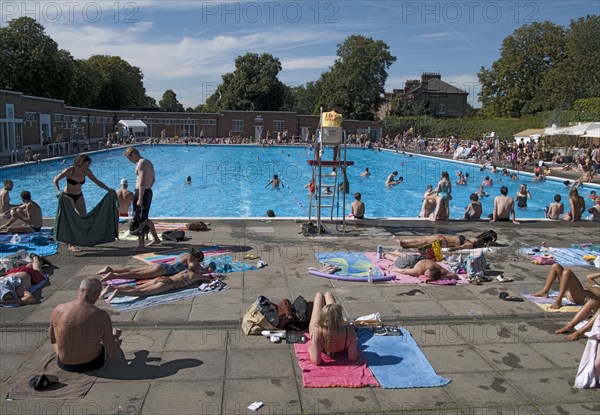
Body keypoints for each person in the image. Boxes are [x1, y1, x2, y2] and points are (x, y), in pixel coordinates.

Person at [49, 278, 123, 372]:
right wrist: (115, 337)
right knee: (112, 341)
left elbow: (52, 339)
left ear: (80, 291)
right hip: (92, 363)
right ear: (96, 294)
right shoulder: (101, 315)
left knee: (60, 339)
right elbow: (112, 353)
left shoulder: (58, 309)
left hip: (64, 364)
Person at [53, 155, 112, 252]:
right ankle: (71, 244)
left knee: (84, 216)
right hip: (68, 195)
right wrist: (58, 191)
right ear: (79, 162)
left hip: (79, 195)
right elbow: (55, 180)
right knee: (72, 218)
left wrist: (108, 189)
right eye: (84, 165)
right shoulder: (69, 170)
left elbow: (97, 181)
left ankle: (85, 238)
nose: (86, 167)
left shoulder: (86, 172)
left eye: (87, 165)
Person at [101, 261, 214, 302]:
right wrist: (207, 273)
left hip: (161, 279)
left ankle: (113, 288)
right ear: (198, 270)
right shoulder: (196, 276)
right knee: (142, 292)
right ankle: (118, 292)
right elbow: (208, 278)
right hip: (167, 284)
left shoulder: (186, 270)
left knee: (138, 285)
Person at [124, 147, 161, 250]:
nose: (130, 161)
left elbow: (141, 182)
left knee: (139, 218)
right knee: (145, 218)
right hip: (148, 192)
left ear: (133, 155)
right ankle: (156, 239)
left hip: (142, 192)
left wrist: (140, 198)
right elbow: (153, 179)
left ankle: (141, 245)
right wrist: (147, 190)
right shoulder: (148, 162)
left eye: (129, 158)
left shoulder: (141, 163)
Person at [97, 247, 205, 282]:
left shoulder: (184, 254)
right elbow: (192, 267)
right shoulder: (190, 257)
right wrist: (201, 270)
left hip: (161, 265)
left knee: (135, 271)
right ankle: (113, 275)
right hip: (164, 270)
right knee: (137, 275)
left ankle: (111, 269)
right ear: (197, 257)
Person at [308, 291, 358, 366]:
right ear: (340, 318)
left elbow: (316, 361)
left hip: (322, 332)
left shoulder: (317, 331)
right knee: (330, 299)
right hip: (342, 334)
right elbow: (352, 358)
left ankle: (326, 307)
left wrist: (310, 350)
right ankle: (332, 309)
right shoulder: (350, 331)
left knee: (319, 295)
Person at [531, 264, 600, 310]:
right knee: (556, 266)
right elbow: (589, 277)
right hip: (572, 291)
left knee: (567, 272)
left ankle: (558, 301)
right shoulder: (597, 285)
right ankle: (545, 291)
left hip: (581, 297)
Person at [394, 230, 497, 251]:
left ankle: (404, 242)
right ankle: (404, 243)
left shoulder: (474, 239)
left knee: (421, 241)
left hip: (443, 238)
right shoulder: (472, 242)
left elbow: (458, 248)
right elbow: (458, 248)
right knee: (421, 242)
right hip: (443, 240)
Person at [390, 258, 459, 281]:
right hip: (412, 261)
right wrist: (391, 269)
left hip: (421, 259)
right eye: (426, 273)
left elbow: (455, 276)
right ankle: (385, 255)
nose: (425, 275)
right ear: (429, 269)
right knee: (397, 261)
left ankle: (397, 253)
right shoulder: (418, 271)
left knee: (402, 258)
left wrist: (443, 277)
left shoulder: (439, 270)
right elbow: (403, 271)